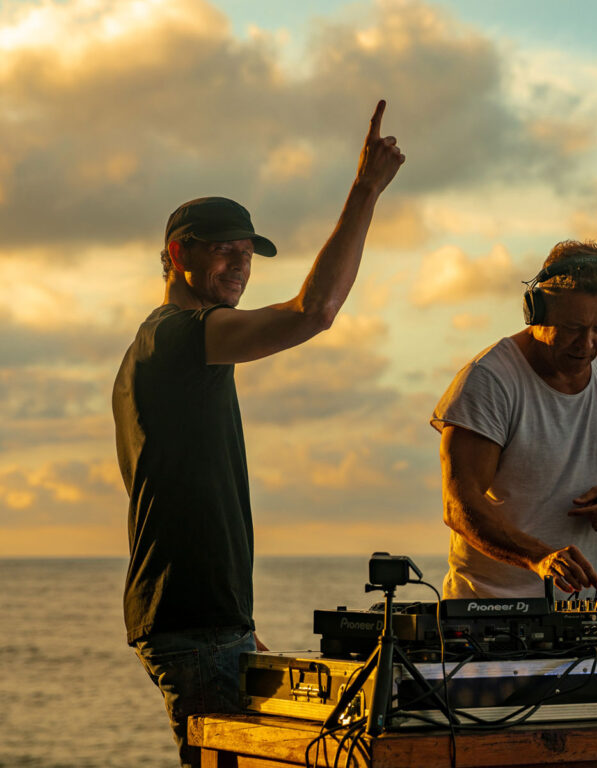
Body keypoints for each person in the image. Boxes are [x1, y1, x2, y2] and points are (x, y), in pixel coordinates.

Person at [111, 101, 403, 767]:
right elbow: (313, 311)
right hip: (193, 624)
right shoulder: (176, 338)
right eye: (225, 251)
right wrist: (365, 190)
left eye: (247, 255)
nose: (240, 266)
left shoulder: (164, 351)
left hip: (204, 622)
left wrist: (239, 632)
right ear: (178, 254)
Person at [431, 241, 597, 600]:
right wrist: (540, 558)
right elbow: (459, 507)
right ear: (537, 311)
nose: (587, 344)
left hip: (591, 617)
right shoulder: (489, 380)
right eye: (573, 327)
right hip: (490, 611)